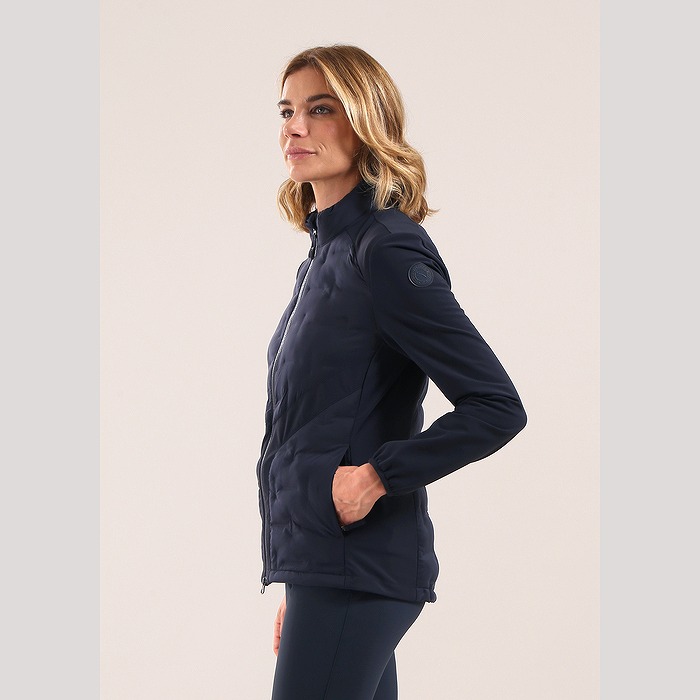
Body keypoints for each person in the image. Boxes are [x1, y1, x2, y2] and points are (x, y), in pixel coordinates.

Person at [255, 44, 527, 700]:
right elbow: (314, 427)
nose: (296, 127)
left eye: (321, 109)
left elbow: (495, 405)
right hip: (330, 570)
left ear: (365, 121)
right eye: (287, 111)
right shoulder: (325, 257)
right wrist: (303, 582)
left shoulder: (385, 250)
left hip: (358, 568)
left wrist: (377, 477)